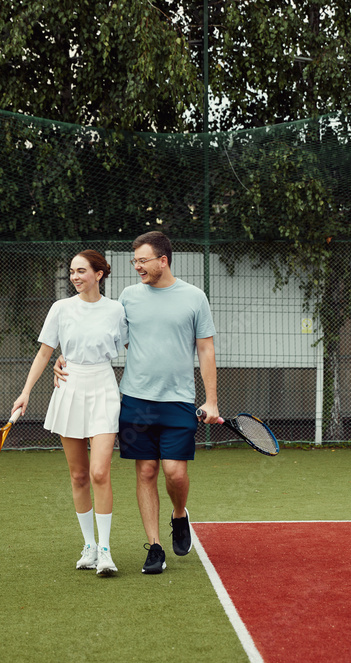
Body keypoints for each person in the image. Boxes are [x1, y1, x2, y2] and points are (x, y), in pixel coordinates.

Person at [56, 231, 219, 575]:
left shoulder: (194, 297)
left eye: (143, 261)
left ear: (164, 260)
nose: (137, 267)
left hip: (178, 400)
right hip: (135, 399)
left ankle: (179, 514)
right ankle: (155, 547)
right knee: (146, 471)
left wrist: (212, 400)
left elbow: (205, 349)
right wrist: (64, 358)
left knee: (175, 472)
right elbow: (100, 329)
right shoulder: (128, 297)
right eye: (135, 262)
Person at [12, 250, 127, 577]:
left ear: (99, 274)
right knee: (78, 475)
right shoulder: (60, 309)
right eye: (72, 272)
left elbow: (134, 350)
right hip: (69, 387)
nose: (75, 277)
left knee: (99, 473)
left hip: (104, 387)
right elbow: (45, 353)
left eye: (81, 271)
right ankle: (89, 546)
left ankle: (105, 550)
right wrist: (25, 393)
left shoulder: (116, 310)